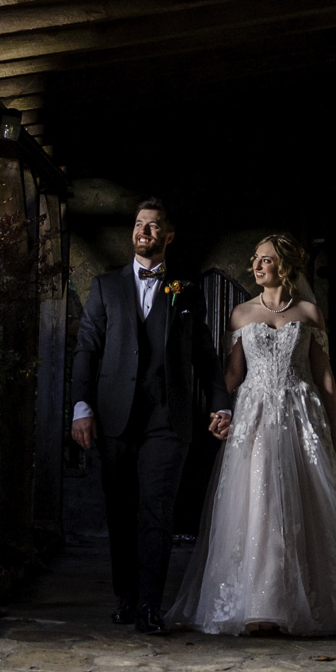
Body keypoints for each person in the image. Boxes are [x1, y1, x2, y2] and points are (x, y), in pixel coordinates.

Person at [166, 233, 336, 636]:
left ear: (286, 268)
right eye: (255, 259)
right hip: (255, 416)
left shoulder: (309, 313)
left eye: (266, 260)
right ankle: (259, 605)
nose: (257, 266)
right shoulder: (241, 314)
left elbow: (324, 375)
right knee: (258, 502)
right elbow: (233, 374)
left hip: (300, 413)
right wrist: (221, 409)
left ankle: (304, 599)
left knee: (306, 502)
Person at [70, 199, 233, 634]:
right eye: (139, 225)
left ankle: (149, 605)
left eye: (154, 225)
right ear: (133, 233)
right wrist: (81, 406)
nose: (144, 231)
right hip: (114, 417)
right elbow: (87, 348)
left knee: (156, 511)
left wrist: (221, 404)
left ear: (168, 236)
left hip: (167, 420)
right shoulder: (106, 287)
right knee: (120, 512)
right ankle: (125, 597)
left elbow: (204, 355)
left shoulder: (185, 289)